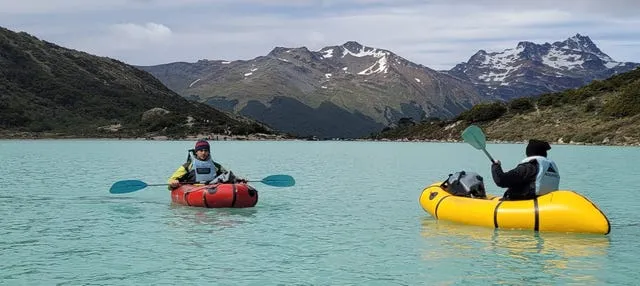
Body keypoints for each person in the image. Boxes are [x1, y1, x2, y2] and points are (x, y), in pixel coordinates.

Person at [491, 139, 560, 200]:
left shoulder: (529, 167)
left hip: (527, 203)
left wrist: (496, 166)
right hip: (545, 202)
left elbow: (501, 180)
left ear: (529, 152)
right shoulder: (550, 166)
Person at [168, 139, 245, 189]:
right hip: (194, 190)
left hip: (212, 190)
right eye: (200, 150)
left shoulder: (216, 166)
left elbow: (228, 176)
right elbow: (172, 179)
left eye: (205, 150)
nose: (203, 153)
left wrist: (239, 180)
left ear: (208, 152)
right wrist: (173, 183)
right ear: (196, 152)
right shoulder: (188, 166)